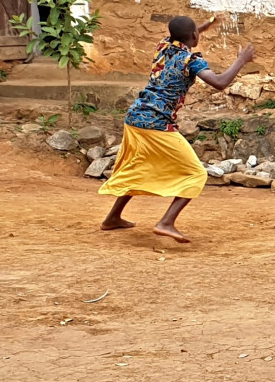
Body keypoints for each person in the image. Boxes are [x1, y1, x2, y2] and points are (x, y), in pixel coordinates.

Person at [101, 17, 255, 243]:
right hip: (157, 124)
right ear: (193, 37)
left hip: (135, 117)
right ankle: (166, 222)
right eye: (196, 33)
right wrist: (241, 60)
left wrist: (200, 28)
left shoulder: (164, 47)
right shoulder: (191, 60)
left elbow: (180, 35)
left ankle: (112, 218)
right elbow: (220, 82)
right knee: (196, 173)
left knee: (141, 166)